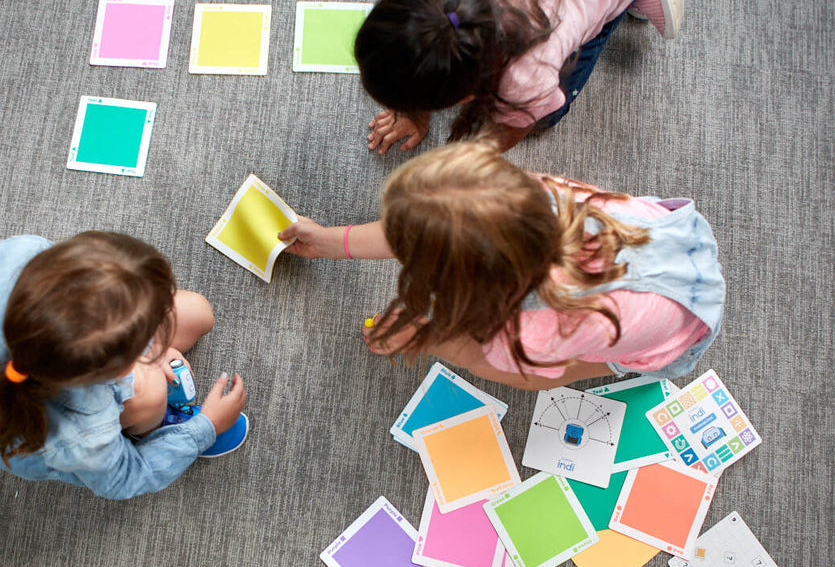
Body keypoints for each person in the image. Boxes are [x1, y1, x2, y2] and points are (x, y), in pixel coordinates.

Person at [280, 141, 724, 389]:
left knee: (584, 360)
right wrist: (331, 241)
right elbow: (431, 229)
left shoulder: (531, 331)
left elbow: (538, 378)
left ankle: (624, 362)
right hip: (672, 238)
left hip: (680, 325)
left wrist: (431, 341)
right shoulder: (531, 195)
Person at [0, 232, 247, 500]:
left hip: (47, 359)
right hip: (44, 418)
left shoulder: (19, 253)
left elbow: (74, 320)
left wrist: (146, 347)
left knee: (197, 312)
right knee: (153, 391)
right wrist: (205, 427)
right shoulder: (85, 437)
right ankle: (147, 427)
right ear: (111, 370)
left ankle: (140, 368)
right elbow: (126, 478)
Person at [356, 0, 683, 154]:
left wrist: (464, 164)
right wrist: (415, 109)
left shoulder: (528, 74)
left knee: (546, 114)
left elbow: (514, 125)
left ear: (466, 97)